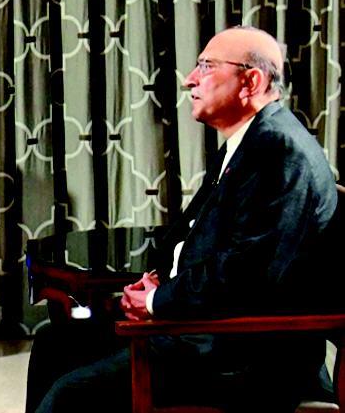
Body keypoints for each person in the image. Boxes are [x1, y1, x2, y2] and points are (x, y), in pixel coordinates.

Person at [29, 26, 338, 412]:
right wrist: (157, 281)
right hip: (205, 330)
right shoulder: (250, 140)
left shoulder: (279, 150)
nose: (190, 79)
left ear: (251, 82)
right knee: (53, 345)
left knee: (70, 396)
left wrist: (155, 302)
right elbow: (192, 237)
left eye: (207, 66)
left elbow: (246, 277)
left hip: (241, 356)